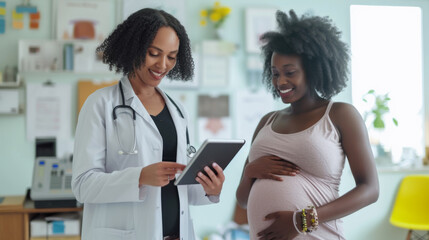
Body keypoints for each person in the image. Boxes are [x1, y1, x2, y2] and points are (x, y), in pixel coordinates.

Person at [72, 8, 225, 240]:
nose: (163, 65)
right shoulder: (100, 104)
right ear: (134, 48)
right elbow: (83, 186)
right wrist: (139, 177)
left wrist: (209, 189)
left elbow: (181, 189)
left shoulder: (178, 111)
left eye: (172, 57)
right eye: (154, 53)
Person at [236, 9, 379, 240]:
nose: (280, 81)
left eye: (290, 72)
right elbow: (242, 200)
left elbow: (370, 190)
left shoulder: (340, 115)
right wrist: (250, 172)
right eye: (275, 73)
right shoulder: (267, 121)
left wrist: (301, 221)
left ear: (313, 71)